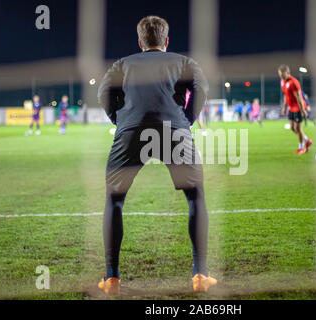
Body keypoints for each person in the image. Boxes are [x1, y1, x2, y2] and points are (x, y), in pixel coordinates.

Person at [97, 15, 216, 294]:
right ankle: (200, 274)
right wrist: (186, 118)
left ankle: (112, 277)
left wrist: (119, 118)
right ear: (166, 40)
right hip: (174, 130)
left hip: (130, 131)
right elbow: (202, 88)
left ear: (140, 42)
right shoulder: (185, 62)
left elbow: (104, 91)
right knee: (195, 196)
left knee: (114, 201)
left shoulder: (122, 64)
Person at [278, 65, 312, 154]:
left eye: (283, 75)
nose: (281, 77)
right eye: (280, 75)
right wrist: (285, 107)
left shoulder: (294, 82)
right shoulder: (282, 82)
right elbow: (286, 95)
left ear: (288, 73)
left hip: (298, 108)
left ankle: (301, 148)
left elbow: (299, 98)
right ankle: (307, 140)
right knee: (292, 128)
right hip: (291, 108)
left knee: (298, 129)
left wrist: (303, 110)